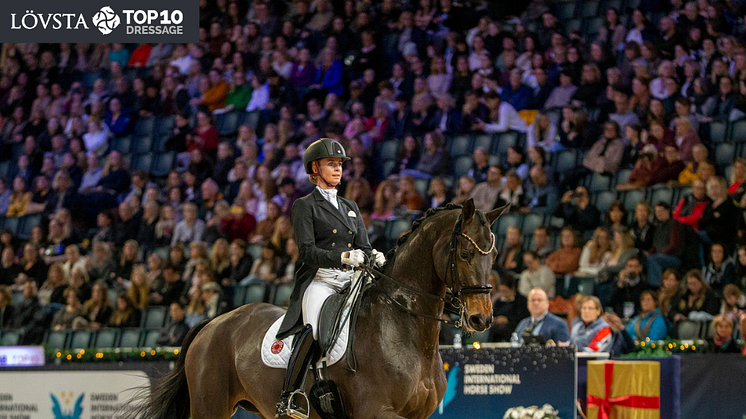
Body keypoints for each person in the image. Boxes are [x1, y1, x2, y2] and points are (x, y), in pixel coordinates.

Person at [274, 139, 384, 419]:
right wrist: (343, 258)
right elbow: (308, 252)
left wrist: (376, 257)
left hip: (353, 281)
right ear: (315, 168)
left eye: (339, 165)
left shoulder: (350, 206)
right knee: (315, 331)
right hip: (321, 281)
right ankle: (290, 397)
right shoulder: (304, 206)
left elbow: (365, 246)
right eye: (331, 164)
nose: (338, 169)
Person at [490, 272, 530, 342]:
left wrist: (507, 319)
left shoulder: (522, 301)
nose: (503, 294)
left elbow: (523, 317)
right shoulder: (499, 302)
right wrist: (496, 319)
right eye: (501, 291)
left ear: (512, 288)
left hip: (515, 327)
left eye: (505, 291)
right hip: (497, 328)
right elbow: (494, 314)